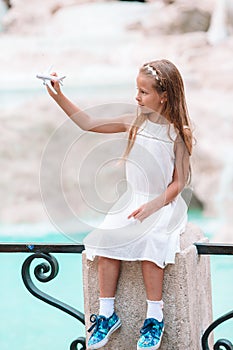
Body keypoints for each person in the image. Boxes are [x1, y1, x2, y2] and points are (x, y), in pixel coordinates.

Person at [46, 59, 193, 350]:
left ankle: (154, 317)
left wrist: (153, 206)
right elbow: (87, 123)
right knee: (106, 237)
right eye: (136, 91)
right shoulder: (133, 121)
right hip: (133, 200)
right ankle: (106, 313)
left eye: (143, 92)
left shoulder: (178, 133)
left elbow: (179, 183)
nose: (136, 97)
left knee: (153, 239)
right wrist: (59, 95)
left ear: (163, 95)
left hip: (162, 204)